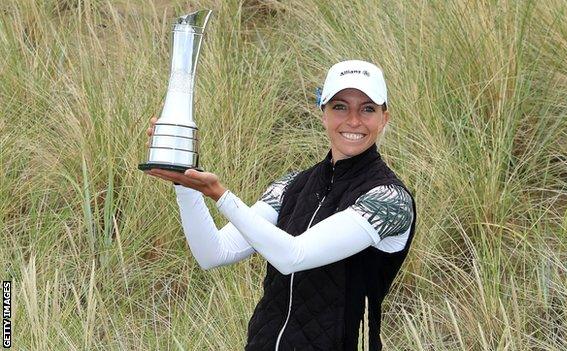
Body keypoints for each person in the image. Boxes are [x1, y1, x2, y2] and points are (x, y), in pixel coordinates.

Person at [144, 60, 417, 351]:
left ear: (384, 118)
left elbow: (292, 256)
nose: (353, 120)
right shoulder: (291, 185)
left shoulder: (390, 199)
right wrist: (185, 183)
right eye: (339, 107)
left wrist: (220, 194)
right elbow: (214, 253)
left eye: (367, 109)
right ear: (322, 113)